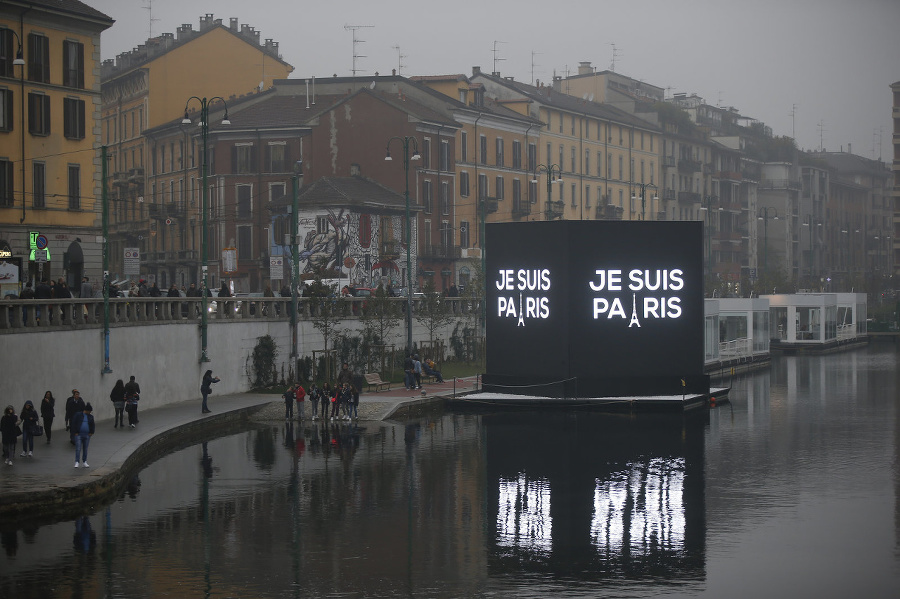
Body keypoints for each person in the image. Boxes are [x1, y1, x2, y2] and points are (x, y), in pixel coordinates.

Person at [71, 403, 95, 468]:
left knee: (85, 448)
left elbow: (92, 425)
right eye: (89, 411)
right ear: (86, 410)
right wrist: (75, 432)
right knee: (78, 448)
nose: (90, 412)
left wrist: (91, 432)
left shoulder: (90, 417)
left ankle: (84, 461)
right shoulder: (78, 415)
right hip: (79, 434)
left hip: (87, 435)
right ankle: (77, 462)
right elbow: (73, 423)